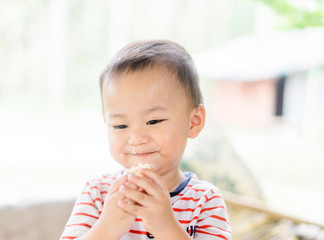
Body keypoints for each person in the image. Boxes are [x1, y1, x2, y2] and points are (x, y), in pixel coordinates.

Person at [60, 40, 232, 240]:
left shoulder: (205, 200)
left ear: (193, 122)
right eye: (120, 126)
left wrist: (166, 228)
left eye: (153, 121)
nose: (136, 139)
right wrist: (106, 228)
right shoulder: (98, 193)